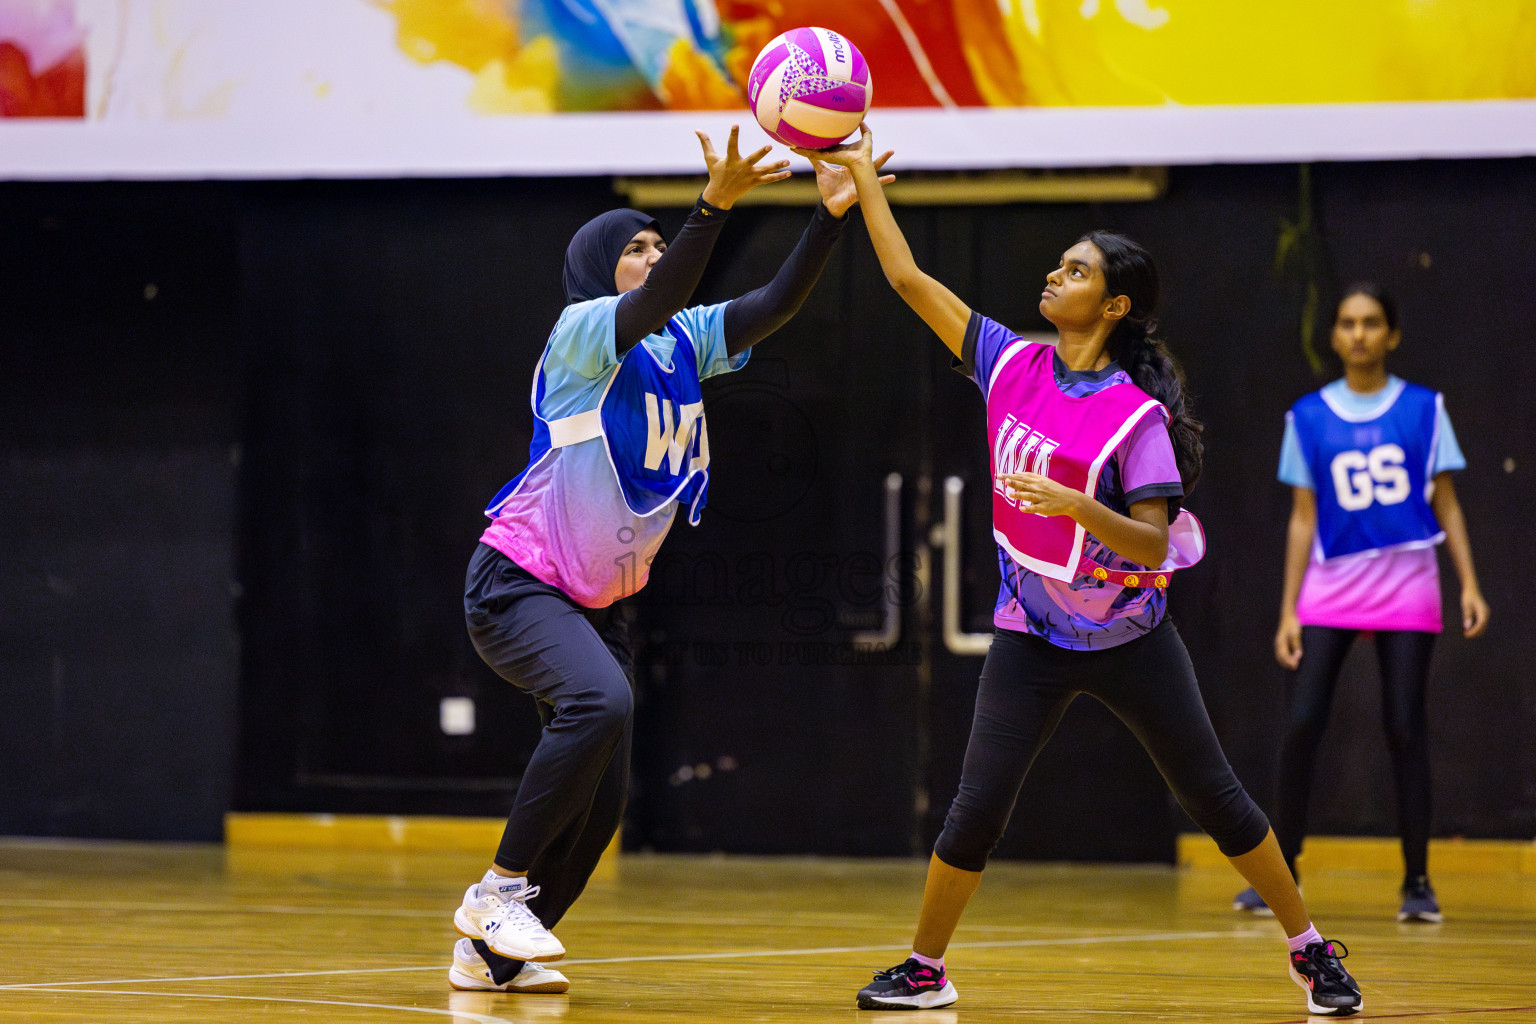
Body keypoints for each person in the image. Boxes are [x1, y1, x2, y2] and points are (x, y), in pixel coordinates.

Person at [800, 124, 1364, 1017]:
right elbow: (909, 279)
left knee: (1215, 798)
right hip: (1032, 632)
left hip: (1134, 636)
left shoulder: (1135, 418)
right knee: (975, 808)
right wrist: (866, 180)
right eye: (1058, 266)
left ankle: (1307, 949)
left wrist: (1077, 508)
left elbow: (1152, 541)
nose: (1056, 277)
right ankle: (924, 969)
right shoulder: (1010, 361)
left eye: (1077, 272)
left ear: (1113, 308)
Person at [445, 125, 892, 995]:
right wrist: (712, 204)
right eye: (636, 248)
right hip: (517, 584)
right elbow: (658, 297)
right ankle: (494, 893)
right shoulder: (579, 334)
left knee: (602, 804)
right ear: (597, 268)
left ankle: (488, 957)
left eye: (660, 244)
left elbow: (768, 307)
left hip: (594, 603)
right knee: (600, 698)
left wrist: (829, 220)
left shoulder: (680, 341)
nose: (653, 257)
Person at [1233, 284, 1489, 924]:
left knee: (1405, 725)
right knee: (1302, 724)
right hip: (1330, 587)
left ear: (1391, 334)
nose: (1358, 334)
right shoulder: (1309, 416)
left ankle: (1418, 883)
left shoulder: (1425, 409)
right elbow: (1301, 518)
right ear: (1336, 335)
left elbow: (1446, 501)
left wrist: (1470, 583)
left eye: (1371, 323)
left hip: (1407, 583)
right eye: (1347, 323)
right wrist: (1290, 609)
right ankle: (1279, 873)